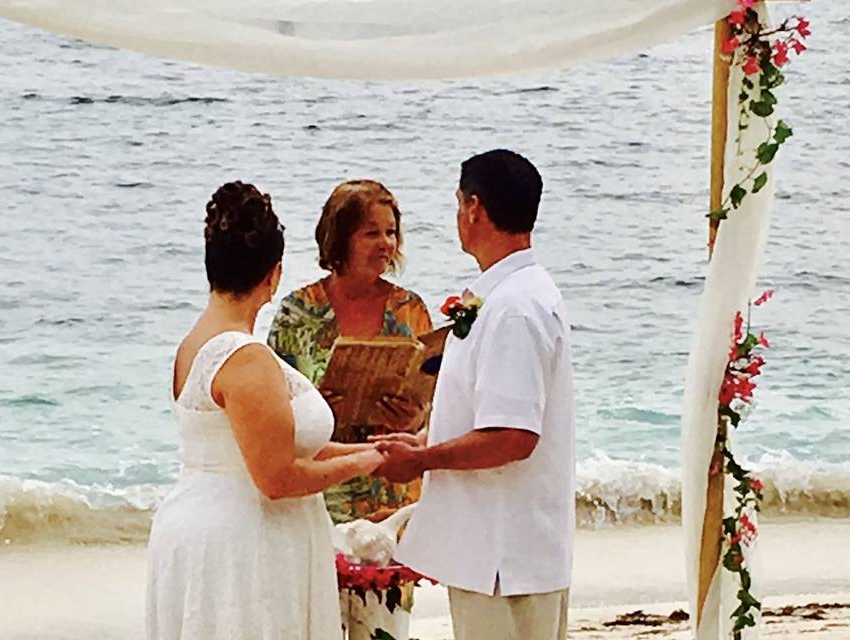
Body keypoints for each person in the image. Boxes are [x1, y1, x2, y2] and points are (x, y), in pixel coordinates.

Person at [146, 181, 384, 640]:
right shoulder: (246, 358)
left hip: (196, 527)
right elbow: (276, 478)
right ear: (273, 277)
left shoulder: (192, 344)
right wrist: (364, 463)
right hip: (243, 543)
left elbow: (266, 443)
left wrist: (369, 450)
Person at [375, 150, 576, 640]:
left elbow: (513, 436)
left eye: (458, 203)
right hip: (503, 553)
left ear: (474, 209)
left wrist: (422, 461)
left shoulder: (513, 308)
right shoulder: (513, 293)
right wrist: (426, 436)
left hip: (504, 559)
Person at [267, 179, 432, 639]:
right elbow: (270, 404)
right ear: (340, 238)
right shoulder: (297, 312)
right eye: (372, 233)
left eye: (391, 232)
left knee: (386, 620)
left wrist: (412, 417)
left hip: (390, 484)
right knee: (320, 616)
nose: (387, 244)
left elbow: (432, 402)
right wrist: (317, 407)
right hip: (321, 484)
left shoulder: (410, 309)